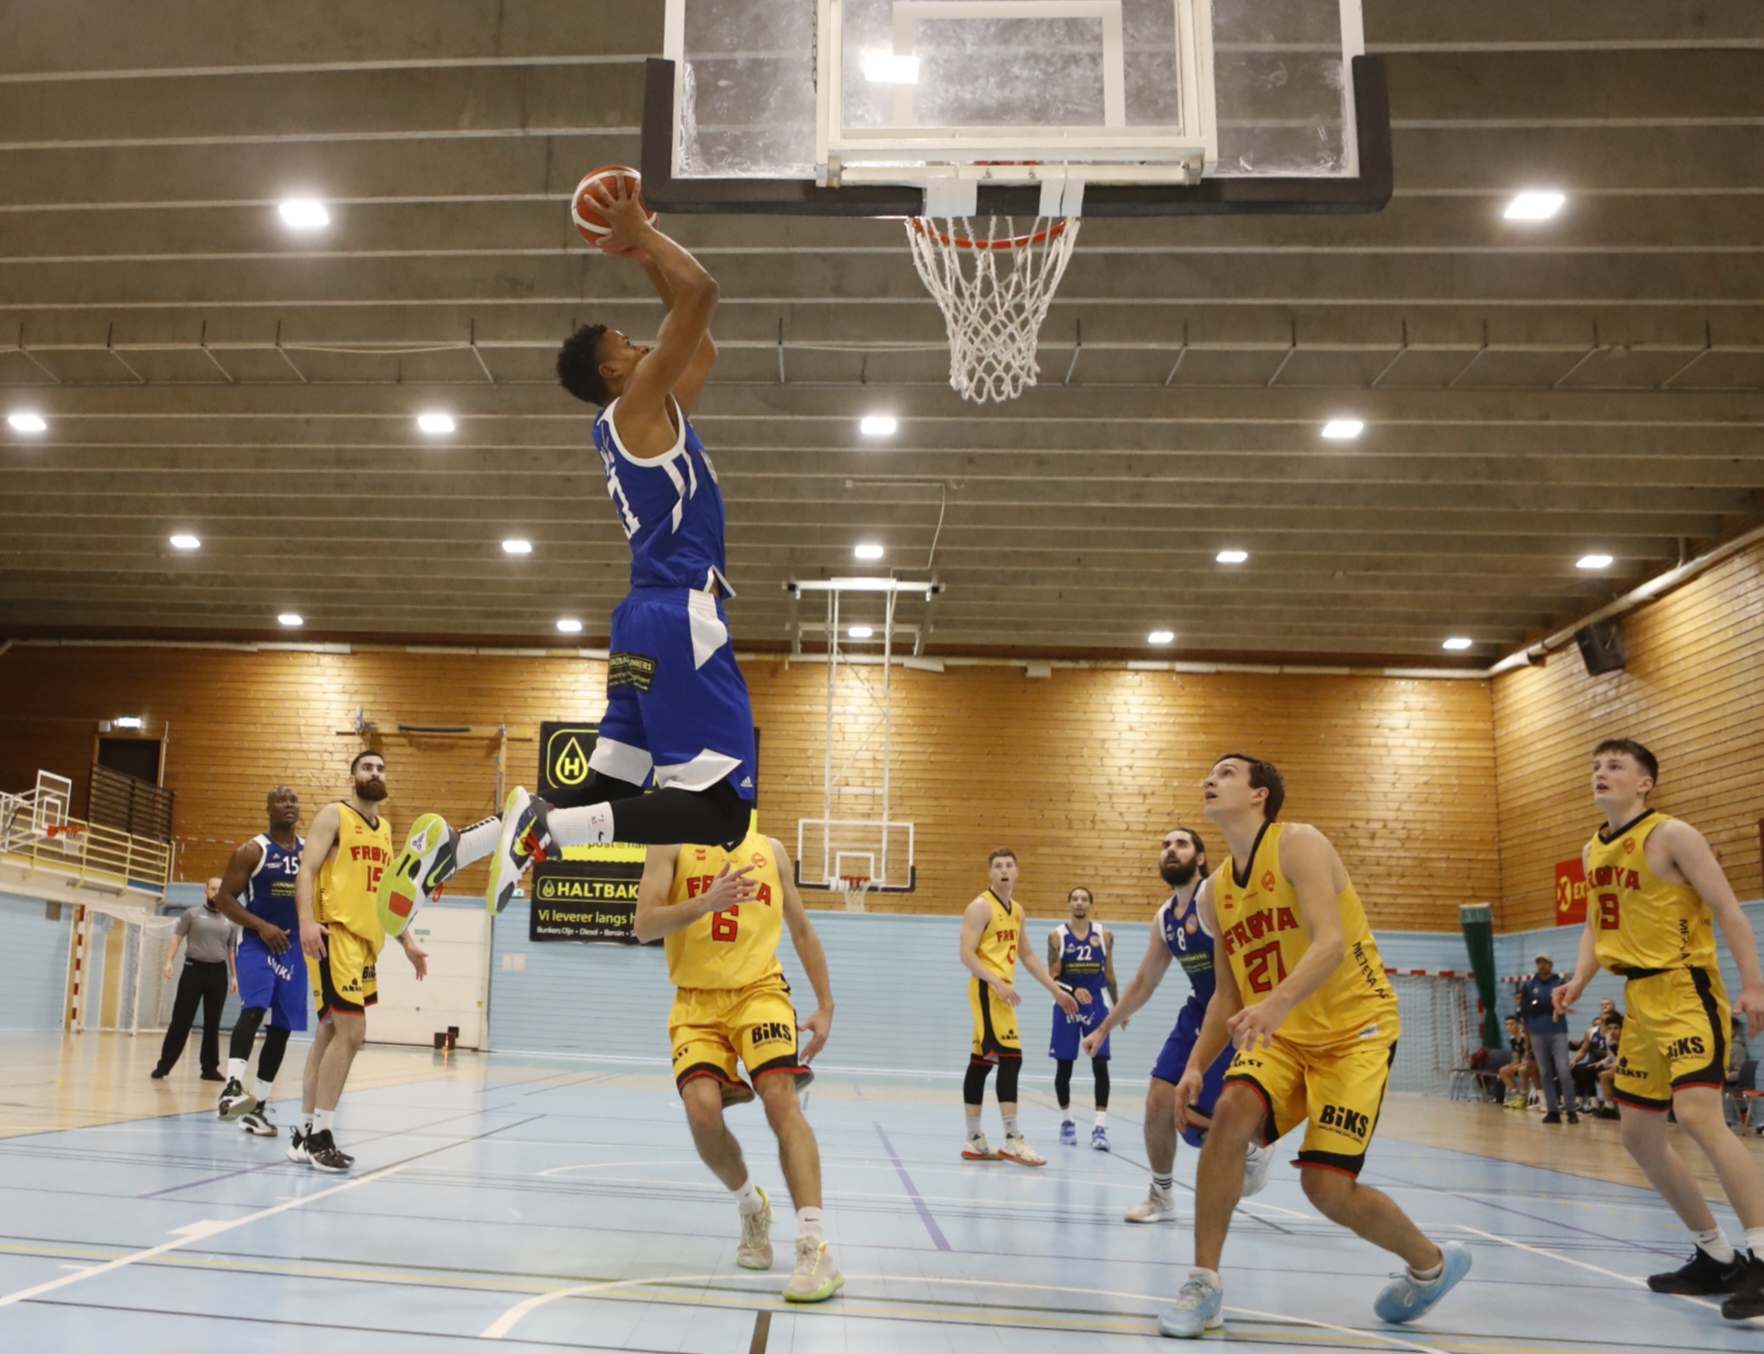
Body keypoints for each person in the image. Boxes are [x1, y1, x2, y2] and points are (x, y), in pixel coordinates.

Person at [376, 174, 755, 932]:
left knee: (599, 787)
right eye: (630, 344)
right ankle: (541, 833)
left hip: (639, 621)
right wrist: (641, 232)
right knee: (721, 811)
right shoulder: (638, 407)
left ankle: (455, 848)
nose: (647, 341)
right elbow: (702, 294)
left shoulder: (644, 415)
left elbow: (697, 336)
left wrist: (637, 244)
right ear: (617, 373)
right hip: (680, 612)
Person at [1159, 753, 1470, 1338]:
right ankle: (1204, 1284)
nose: (1210, 778)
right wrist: (1196, 1066)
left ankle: (1431, 1266)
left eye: (1227, 772)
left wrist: (1274, 1002)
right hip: (1281, 1036)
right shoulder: (1214, 894)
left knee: (1325, 1187)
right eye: (1209, 771)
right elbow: (1226, 994)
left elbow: (1328, 943)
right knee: (1228, 1113)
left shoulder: (1299, 844)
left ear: (1259, 795)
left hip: (1356, 1031)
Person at [1552, 737, 1764, 1319]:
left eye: (1615, 766)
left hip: (1685, 986)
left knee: (1697, 1115)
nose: (1601, 773)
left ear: (1645, 782)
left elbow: (1728, 908)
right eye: (1595, 766)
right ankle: (1716, 1258)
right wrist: (1577, 978)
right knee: (1638, 1136)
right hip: (1638, 998)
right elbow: (1598, 925)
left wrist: (1754, 984)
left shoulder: (1672, 835)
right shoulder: (1593, 849)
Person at [633, 828, 842, 1302]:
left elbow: (803, 930)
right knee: (702, 1113)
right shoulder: (670, 843)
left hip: (759, 992)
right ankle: (752, 1205)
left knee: (779, 1098)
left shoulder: (771, 851)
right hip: (696, 1001)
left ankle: (815, 1245)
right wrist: (703, 903)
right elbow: (644, 925)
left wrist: (826, 1004)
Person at [1082, 827, 1272, 1223]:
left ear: (1200, 858)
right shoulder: (1165, 918)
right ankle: (1162, 1196)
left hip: (1235, 1010)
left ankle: (1252, 1146)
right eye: (1165, 845)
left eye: (1181, 844)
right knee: (1157, 1100)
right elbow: (1144, 981)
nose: (1171, 849)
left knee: (1205, 1111)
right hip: (1199, 1010)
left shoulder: (1214, 896)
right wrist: (1104, 1026)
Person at [293, 752, 428, 1172]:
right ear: (352, 777)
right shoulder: (334, 815)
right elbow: (305, 870)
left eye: (381, 768)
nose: (375, 773)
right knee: (352, 1034)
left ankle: (302, 1134)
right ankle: (321, 1137)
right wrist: (306, 922)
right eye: (367, 768)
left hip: (366, 943)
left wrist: (406, 940)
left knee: (328, 1035)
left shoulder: (385, 829)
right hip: (334, 934)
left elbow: (385, 894)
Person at [960, 849, 1078, 1165]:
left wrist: (1055, 990)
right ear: (990, 873)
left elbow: (1027, 956)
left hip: (999, 992)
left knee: (981, 1062)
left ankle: (973, 1139)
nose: (1003, 870)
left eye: (1009, 865)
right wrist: (997, 982)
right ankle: (1012, 1139)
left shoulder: (1016, 911)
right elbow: (966, 954)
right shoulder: (980, 906)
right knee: (1011, 1059)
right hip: (988, 990)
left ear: (1017, 871)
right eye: (997, 866)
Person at [208, 786, 307, 1136]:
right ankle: (233, 1086)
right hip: (257, 942)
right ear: (268, 808)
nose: (288, 804)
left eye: (293, 800)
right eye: (281, 800)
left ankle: (259, 1108)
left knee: (281, 1029)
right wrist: (262, 926)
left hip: (294, 949)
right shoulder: (252, 850)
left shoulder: (310, 852)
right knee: (254, 1007)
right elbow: (224, 899)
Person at [1046, 886, 1119, 1150]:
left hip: (1096, 1004)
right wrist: (1073, 991)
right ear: (1069, 904)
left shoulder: (1104, 935)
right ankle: (1067, 1122)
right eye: (1074, 898)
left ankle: (1099, 1127)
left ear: (1090, 904)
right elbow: (1053, 977)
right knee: (1064, 1068)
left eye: (1084, 899)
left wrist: (1120, 1008)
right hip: (1066, 1004)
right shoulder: (1057, 936)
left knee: (1100, 1064)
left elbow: (1109, 974)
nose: (1079, 902)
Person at [151, 877, 239, 1082]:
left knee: (212, 1022)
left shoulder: (230, 919)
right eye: (213, 889)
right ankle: (164, 1066)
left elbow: (231, 950)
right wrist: (168, 962)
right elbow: (176, 938)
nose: (216, 892)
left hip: (217, 972)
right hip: (193, 970)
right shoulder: (192, 914)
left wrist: (235, 975)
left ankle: (209, 1068)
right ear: (205, 891)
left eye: (220, 889)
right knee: (181, 1020)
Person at [1518, 953, 1576, 1123]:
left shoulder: (1559, 983)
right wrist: (1543, 1004)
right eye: (1539, 963)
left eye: (1545, 963)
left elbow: (1560, 1004)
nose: (1542, 966)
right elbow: (1525, 1007)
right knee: (1544, 1072)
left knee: (1563, 1070)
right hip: (1537, 1032)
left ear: (1550, 965)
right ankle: (1552, 1110)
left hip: (1557, 1030)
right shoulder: (1529, 985)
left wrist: (1538, 1003)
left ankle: (1571, 1109)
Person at [1498, 1015, 1535, 1109]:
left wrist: (1518, 1065)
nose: (1509, 1027)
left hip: (1535, 1063)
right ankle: (1517, 1097)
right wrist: (1512, 1065)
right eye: (1507, 1025)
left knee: (1522, 1069)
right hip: (1524, 1063)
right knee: (1503, 1070)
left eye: (1512, 1024)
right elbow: (1516, 1058)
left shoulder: (1525, 1037)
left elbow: (1530, 1057)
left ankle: (1524, 1098)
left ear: (1518, 1025)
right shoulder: (1513, 1039)